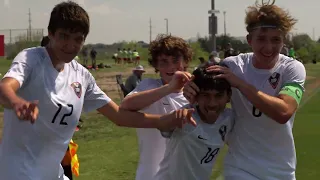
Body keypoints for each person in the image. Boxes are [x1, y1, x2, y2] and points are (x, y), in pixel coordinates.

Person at [0, 2, 196, 180]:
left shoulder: (81, 75)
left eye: (78, 39)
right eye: (63, 36)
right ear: (50, 33)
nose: (70, 45)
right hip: (17, 173)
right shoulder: (32, 59)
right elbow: (5, 88)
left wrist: (163, 121)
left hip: (53, 174)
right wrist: (17, 102)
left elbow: (119, 115)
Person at [183, 0, 306, 179]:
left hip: (282, 170)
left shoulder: (292, 68)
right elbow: (200, 81)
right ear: (249, 40)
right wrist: (190, 87)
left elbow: (284, 112)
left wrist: (240, 84)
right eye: (261, 39)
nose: (269, 47)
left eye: (276, 40)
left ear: (283, 41)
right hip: (240, 167)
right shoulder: (233, 65)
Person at [120, 34, 193, 180]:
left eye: (175, 60)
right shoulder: (149, 86)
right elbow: (126, 105)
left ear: (185, 61)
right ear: (156, 65)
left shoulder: (195, 91)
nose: (171, 67)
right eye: (164, 62)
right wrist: (169, 88)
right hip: (151, 175)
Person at [154, 67, 234, 180]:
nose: (212, 103)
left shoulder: (229, 118)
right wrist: (172, 119)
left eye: (218, 96)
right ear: (195, 95)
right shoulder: (185, 116)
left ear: (229, 96)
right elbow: (162, 125)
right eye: (205, 95)